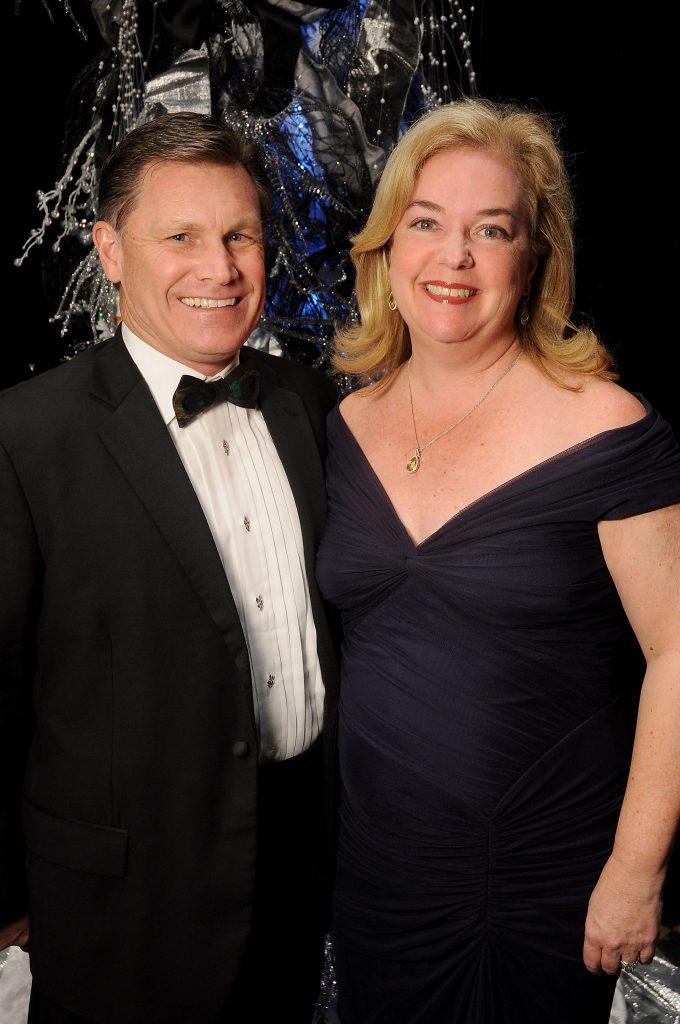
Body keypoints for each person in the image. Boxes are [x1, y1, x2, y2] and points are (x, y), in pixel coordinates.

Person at [315, 97, 680, 1023]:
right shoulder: (346, 424)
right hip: (378, 884)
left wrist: (636, 870)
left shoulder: (604, 425)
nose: (456, 257)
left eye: (492, 229)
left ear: (534, 257)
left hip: (544, 885)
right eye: (428, 223)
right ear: (388, 248)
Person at [0, 110, 339, 1024]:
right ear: (110, 250)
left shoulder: (309, 403)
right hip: (120, 908)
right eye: (180, 237)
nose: (219, 268)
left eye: (240, 235)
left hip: (296, 874)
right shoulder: (26, 435)